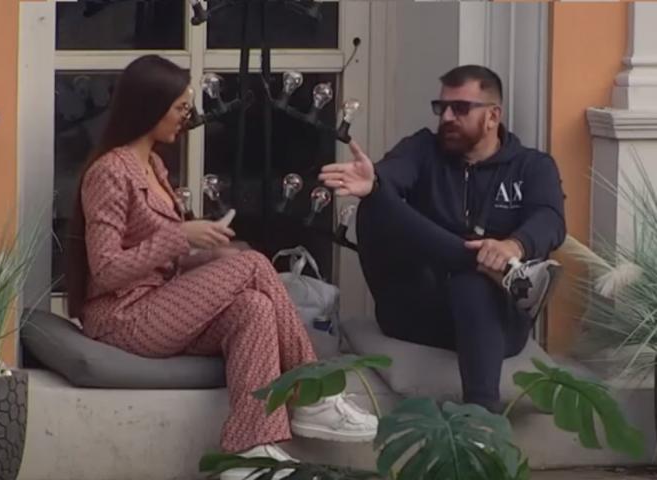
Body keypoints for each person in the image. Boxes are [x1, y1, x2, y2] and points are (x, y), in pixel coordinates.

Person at [65, 55, 377, 480]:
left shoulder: (154, 166)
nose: (186, 117)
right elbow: (105, 271)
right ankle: (311, 392)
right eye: (180, 107)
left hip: (160, 304)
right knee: (253, 265)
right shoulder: (109, 172)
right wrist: (181, 236)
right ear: (150, 107)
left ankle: (249, 451)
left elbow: (161, 259)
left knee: (253, 307)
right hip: (123, 317)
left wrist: (207, 253)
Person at [319, 65, 566, 412]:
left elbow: (550, 218)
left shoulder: (532, 166)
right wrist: (375, 183)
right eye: (442, 107)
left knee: (472, 284)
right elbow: (392, 176)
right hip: (417, 310)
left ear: (493, 116)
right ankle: (507, 273)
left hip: (495, 320)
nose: (447, 117)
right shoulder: (422, 148)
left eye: (460, 108)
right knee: (375, 203)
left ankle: (481, 419)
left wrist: (514, 246)